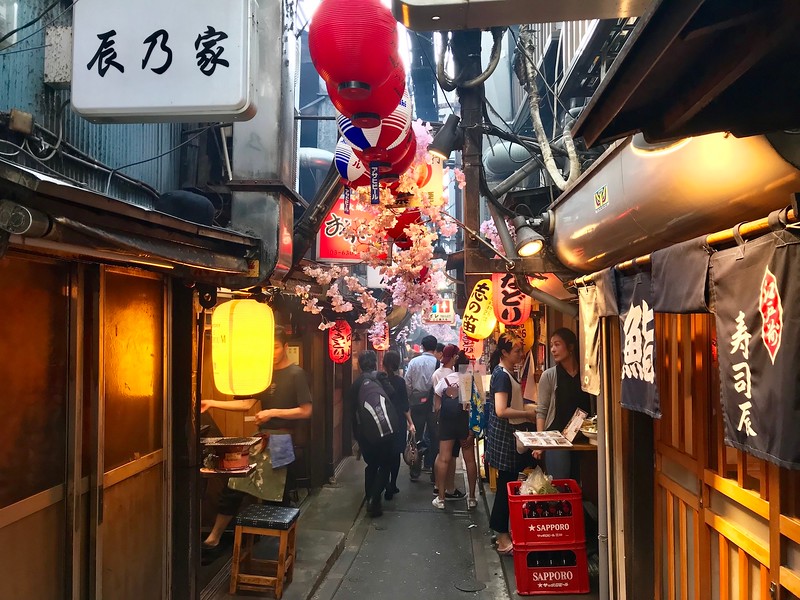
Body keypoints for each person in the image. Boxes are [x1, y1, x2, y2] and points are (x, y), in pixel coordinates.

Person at [201, 326, 313, 549]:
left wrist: (272, 412)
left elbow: (306, 410)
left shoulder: (296, 374)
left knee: (279, 495)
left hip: (282, 441)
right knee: (234, 484)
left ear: (285, 347)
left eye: (275, 347)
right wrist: (212, 403)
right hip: (260, 440)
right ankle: (214, 536)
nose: (271, 352)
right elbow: (246, 403)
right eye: (268, 348)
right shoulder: (264, 375)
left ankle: (284, 545)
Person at [485, 334, 534, 555]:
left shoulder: (505, 372)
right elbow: (500, 410)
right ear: (504, 353)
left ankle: (502, 534)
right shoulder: (502, 375)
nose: (520, 354)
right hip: (506, 436)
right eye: (516, 351)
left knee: (508, 484)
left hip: (508, 435)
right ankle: (502, 537)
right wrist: (527, 414)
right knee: (506, 486)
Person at [534, 327, 593, 481]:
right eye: (551, 345)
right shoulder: (549, 376)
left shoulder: (587, 374)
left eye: (557, 344)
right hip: (556, 440)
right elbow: (542, 410)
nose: (553, 349)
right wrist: (541, 443)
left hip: (585, 440)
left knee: (584, 487)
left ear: (571, 346)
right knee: (561, 486)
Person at [348, 351, 400, 517]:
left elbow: (351, 413)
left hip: (365, 433)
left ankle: (370, 496)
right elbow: (393, 395)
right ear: (375, 363)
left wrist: (356, 435)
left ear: (359, 365)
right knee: (385, 465)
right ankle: (374, 499)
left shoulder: (356, 384)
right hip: (385, 430)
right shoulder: (381, 377)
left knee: (371, 466)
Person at [432, 350, 478, 510]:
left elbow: (437, 406)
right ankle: (472, 498)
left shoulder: (445, 380)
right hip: (465, 424)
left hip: (447, 423)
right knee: (470, 460)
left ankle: (441, 498)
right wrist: (473, 430)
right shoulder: (471, 380)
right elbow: (478, 407)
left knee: (444, 458)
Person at [404, 334, 439, 481]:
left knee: (415, 436)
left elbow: (407, 382)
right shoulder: (438, 363)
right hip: (433, 406)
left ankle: (415, 470)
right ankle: (434, 472)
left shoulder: (414, 362)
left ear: (423, 346)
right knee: (434, 437)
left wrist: (411, 396)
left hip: (417, 403)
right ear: (435, 347)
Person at [382, 350, 414, 500]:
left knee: (385, 454)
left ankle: (384, 482)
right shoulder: (400, 382)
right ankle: (392, 484)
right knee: (395, 455)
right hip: (398, 422)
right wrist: (410, 423)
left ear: (383, 363)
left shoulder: (379, 380)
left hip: (382, 421)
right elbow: (404, 405)